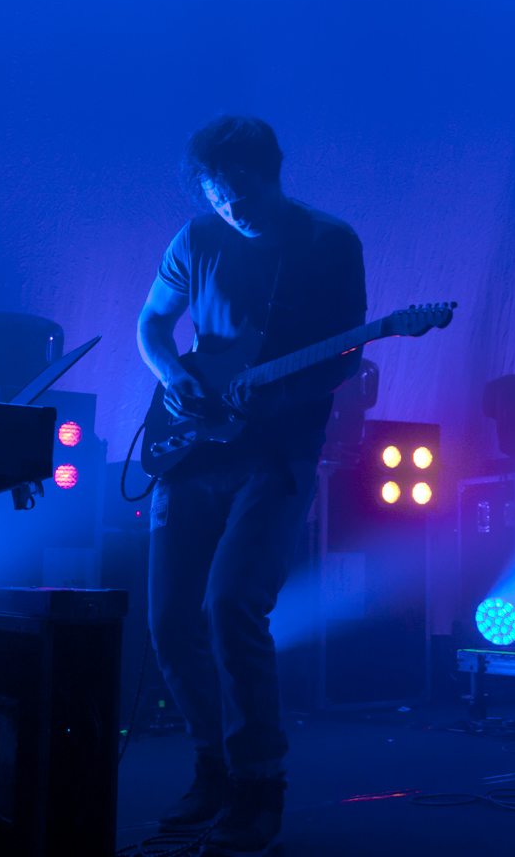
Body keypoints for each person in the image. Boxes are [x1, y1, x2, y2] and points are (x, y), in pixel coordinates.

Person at [137, 116, 367, 854]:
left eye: (242, 194)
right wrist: (174, 377)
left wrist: (267, 397)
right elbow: (152, 324)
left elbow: (340, 360)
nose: (233, 209)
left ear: (274, 173)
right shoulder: (196, 238)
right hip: (194, 450)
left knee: (232, 602)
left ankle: (260, 786)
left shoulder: (329, 243)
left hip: (276, 455)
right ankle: (214, 768)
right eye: (218, 196)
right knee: (171, 621)